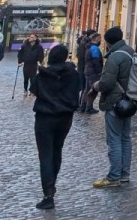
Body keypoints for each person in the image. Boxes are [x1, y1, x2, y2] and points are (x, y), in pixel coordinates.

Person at [29, 44, 81, 210]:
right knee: (57, 150)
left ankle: (48, 194)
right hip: (65, 117)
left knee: (45, 155)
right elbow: (78, 89)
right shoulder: (73, 74)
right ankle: (52, 185)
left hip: (45, 117)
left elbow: (34, 91)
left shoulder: (43, 75)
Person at [92, 26, 135, 188]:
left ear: (108, 42)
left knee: (114, 139)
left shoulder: (115, 57)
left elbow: (107, 83)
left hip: (115, 103)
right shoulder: (130, 51)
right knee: (125, 137)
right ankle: (124, 174)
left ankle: (114, 176)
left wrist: (96, 86)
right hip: (128, 101)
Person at [81, 32, 103, 114]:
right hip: (93, 72)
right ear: (96, 39)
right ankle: (89, 107)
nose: (101, 40)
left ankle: (83, 106)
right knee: (93, 90)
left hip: (88, 70)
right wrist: (99, 71)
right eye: (100, 38)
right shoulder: (95, 48)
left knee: (87, 89)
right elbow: (96, 61)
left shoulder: (89, 47)